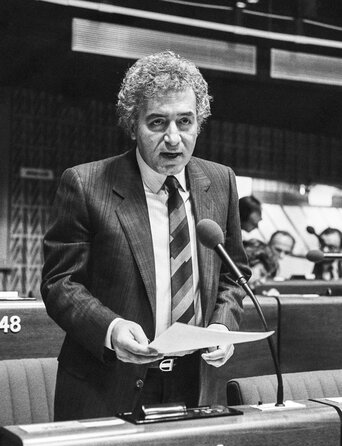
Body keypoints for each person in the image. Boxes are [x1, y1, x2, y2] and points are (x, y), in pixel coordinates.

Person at [41, 51, 251, 421]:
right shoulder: (87, 184)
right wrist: (112, 328)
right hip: (108, 382)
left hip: (196, 380)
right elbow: (61, 283)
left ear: (198, 122)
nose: (173, 138)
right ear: (132, 124)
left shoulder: (221, 182)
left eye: (185, 121)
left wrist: (222, 324)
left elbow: (234, 276)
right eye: (157, 122)